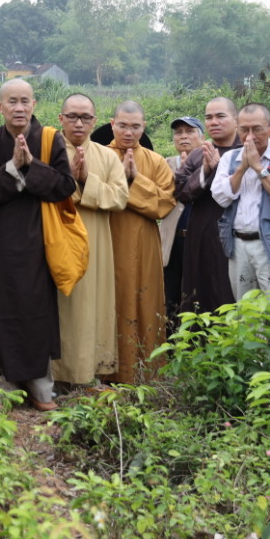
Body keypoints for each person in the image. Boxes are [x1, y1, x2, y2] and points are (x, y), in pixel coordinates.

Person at [0, 78, 76, 410]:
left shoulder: (49, 140)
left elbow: (64, 186)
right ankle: (3, 380)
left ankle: (40, 383)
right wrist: (13, 167)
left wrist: (31, 165)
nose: (18, 107)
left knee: (36, 311)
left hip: (38, 241)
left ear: (34, 105)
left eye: (24, 101)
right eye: (11, 101)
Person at [50, 94, 128, 388]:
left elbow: (120, 197)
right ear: (60, 119)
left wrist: (85, 181)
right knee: (60, 305)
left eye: (85, 118)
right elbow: (40, 190)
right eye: (72, 117)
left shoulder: (107, 156)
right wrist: (68, 180)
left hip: (95, 240)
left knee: (92, 304)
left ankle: (89, 373)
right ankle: (55, 374)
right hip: (56, 238)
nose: (79, 123)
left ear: (95, 121)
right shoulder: (48, 151)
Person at [104, 101, 176, 384]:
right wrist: (126, 185)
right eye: (122, 125)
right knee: (110, 299)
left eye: (135, 126)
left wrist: (134, 180)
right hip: (108, 237)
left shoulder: (155, 161)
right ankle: (106, 370)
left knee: (145, 300)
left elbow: (164, 203)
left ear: (144, 127)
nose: (128, 132)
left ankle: (148, 371)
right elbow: (94, 192)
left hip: (144, 242)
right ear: (112, 124)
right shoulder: (101, 156)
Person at [211, 103, 270, 311]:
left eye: (257, 129)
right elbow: (220, 197)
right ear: (237, 128)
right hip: (238, 245)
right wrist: (242, 168)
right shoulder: (230, 158)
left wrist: (259, 168)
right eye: (244, 129)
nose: (250, 136)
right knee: (246, 311)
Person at [174, 97, 240, 315]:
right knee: (201, 291)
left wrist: (221, 169)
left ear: (236, 119)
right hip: (202, 232)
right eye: (209, 117)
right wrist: (206, 171)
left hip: (239, 231)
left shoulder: (247, 150)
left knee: (233, 291)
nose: (214, 122)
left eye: (220, 116)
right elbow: (180, 191)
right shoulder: (198, 154)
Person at [159, 116, 204, 328]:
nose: (183, 136)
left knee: (200, 294)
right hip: (174, 242)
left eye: (190, 131)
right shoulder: (165, 164)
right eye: (178, 132)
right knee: (171, 296)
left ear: (202, 137)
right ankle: (172, 350)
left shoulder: (211, 162)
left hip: (202, 243)